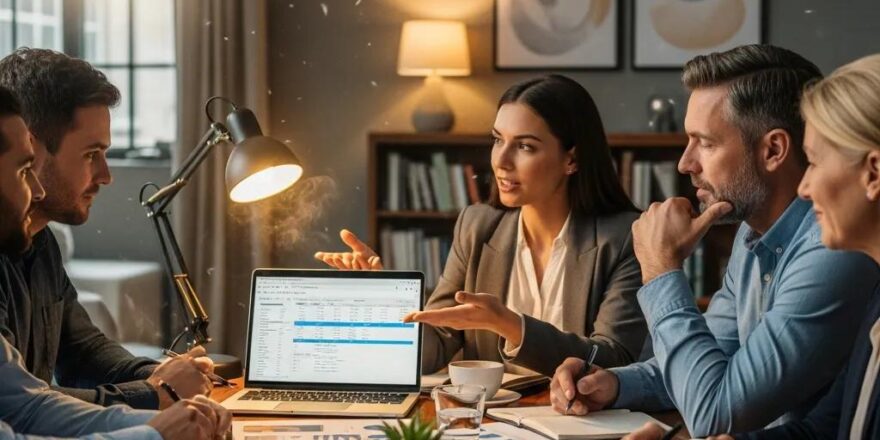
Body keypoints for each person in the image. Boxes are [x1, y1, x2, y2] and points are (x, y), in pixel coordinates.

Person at [549, 44, 880, 437]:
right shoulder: (751, 235)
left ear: (773, 149)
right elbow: (715, 363)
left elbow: (715, 409)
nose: (685, 163)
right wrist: (617, 384)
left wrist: (660, 268)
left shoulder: (834, 250)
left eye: (705, 142)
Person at [315, 74, 647, 377]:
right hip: (492, 420)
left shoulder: (624, 238)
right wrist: (382, 298)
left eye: (525, 146)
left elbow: (613, 359)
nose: (501, 161)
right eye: (497, 140)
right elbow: (437, 346)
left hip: (580, 421)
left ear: (571, 159)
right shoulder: (478, 226)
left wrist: (511, 326)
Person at [0, 85, 230, 440]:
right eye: (92, 153)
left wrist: (166, 375)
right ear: (36, 147)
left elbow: (62, 371)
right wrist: (156, 400)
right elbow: (19, 416)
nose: (106, 175)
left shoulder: (41, 242)